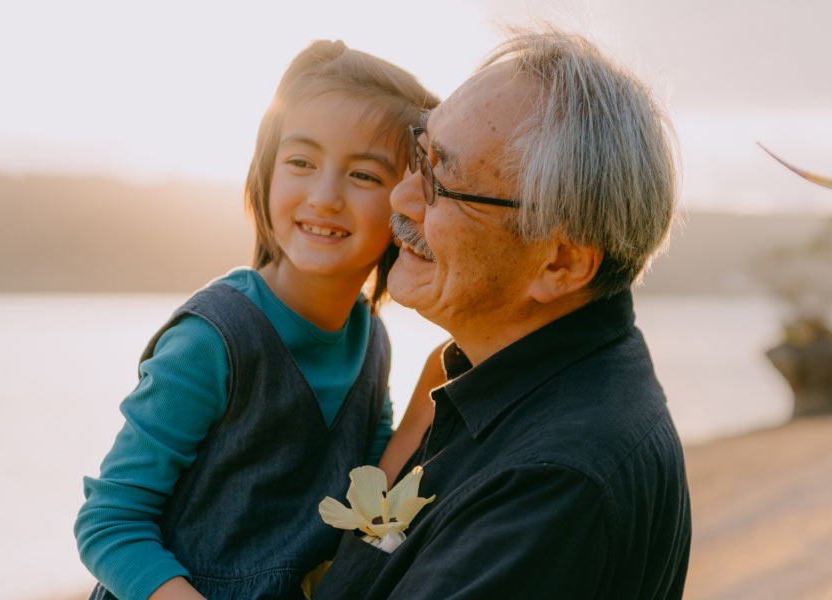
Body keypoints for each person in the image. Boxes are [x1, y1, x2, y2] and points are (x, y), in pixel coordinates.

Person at [311, 28, 691, 599]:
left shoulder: (552, 484)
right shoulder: (498, 378)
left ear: (560, 263)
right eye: (421, 153)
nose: (402, 197)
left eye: (443, 179)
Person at [74, 40, 438, 600]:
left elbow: (366, 506)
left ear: (408, 203)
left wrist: (432, 392)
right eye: (301, 162)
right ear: (264, 172)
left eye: (364, 175)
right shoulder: (213, 338)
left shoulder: (372, 341)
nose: (323, 196)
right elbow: (110, 522)